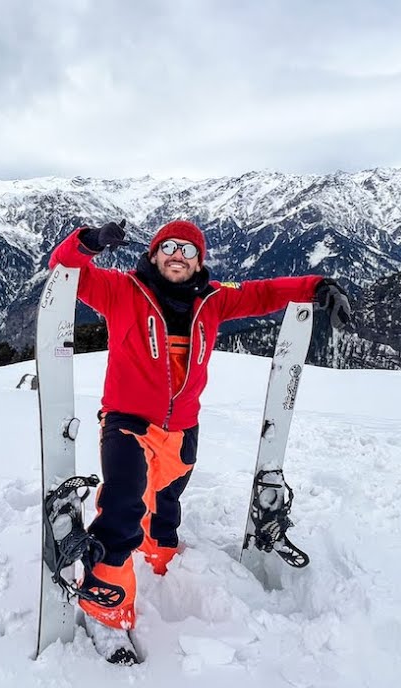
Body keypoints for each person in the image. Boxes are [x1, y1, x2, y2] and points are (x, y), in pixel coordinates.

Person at [47, 218, 352, 664]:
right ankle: (105, 607)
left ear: (198, 262)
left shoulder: (213, 300)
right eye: (168, 247)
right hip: (128, 422)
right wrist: (88, 242)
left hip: (182, 427)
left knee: (165, 505)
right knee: (124, 506)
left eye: (188, 251)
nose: (177, 256)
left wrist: (318, 286)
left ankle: (163, 563)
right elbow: (65, 270)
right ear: (153, 254)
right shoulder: (121, 291)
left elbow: (264, 293)